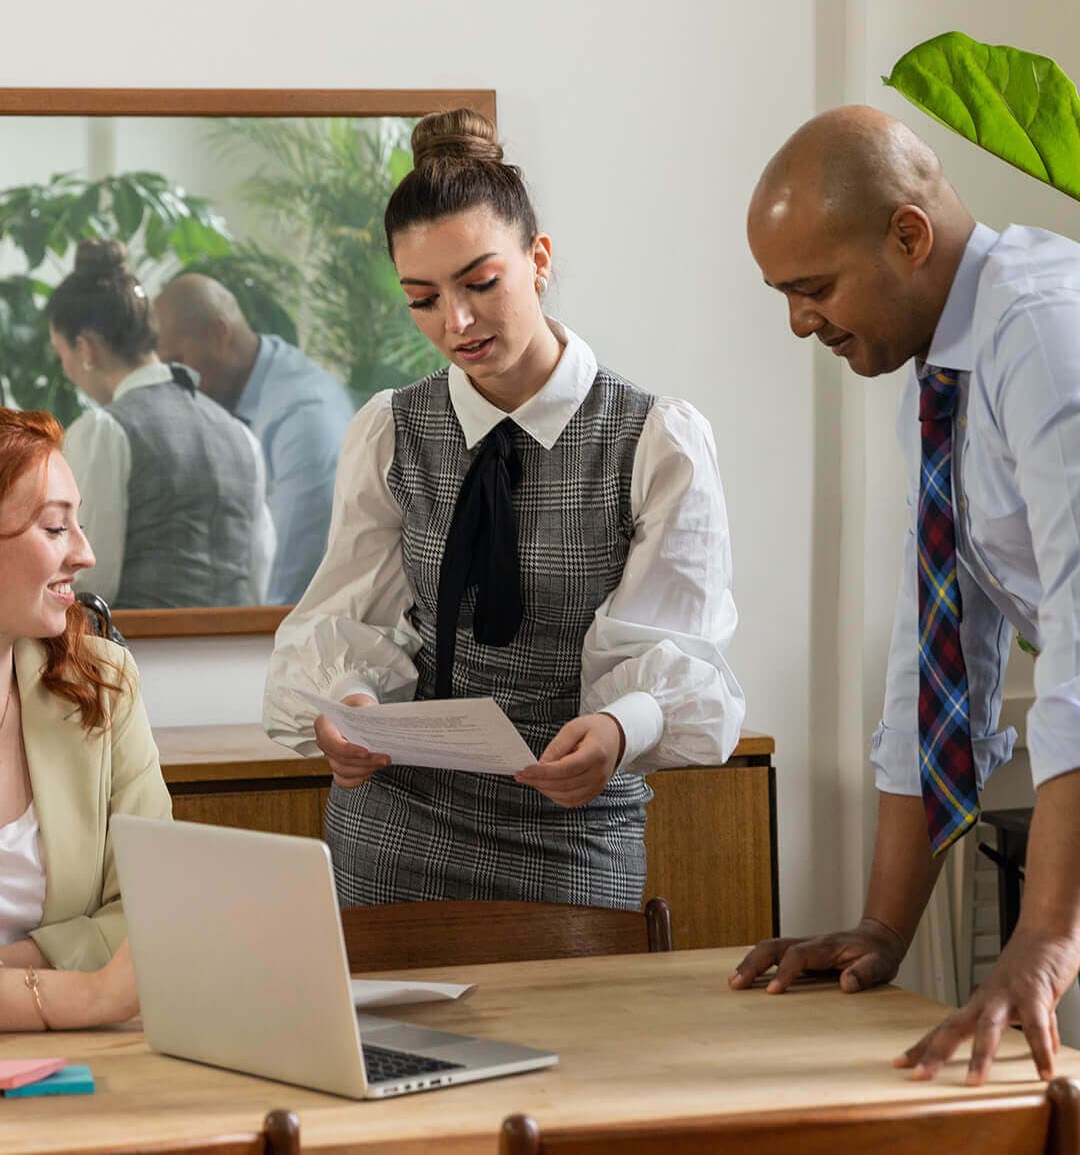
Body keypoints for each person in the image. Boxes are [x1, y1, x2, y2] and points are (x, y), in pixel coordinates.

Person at [263, 108, 745, 910]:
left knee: (576, 1039)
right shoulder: (391, 429)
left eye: (480, 283)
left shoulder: (656, 439)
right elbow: (349, 619)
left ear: (539, 259)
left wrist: (623, 728)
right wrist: (348, 708)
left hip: (572, 834)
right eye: (422, 299)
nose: (454, 322)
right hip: (393, 829)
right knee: (377, 1041)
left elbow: (684, 655)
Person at [736, 104, 1080, 1085]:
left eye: (812, 288)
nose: (801, 320)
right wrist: (884, 925)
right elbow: (935, 664)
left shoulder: (1045, 336)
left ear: (908, 235)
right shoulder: (942, 388)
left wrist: (1051, 930)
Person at [0, 407, 172, 1029]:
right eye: (54, 528)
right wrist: (87, 994)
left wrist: (14, 971)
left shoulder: (102, 682)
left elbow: (152, 908)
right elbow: (115, 975)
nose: (86, 553)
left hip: (88, 1057)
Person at [47, 240, 275, 609]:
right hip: (235, 658)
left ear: (85, 349)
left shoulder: (103, 431)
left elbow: (88, 581)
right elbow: (257, 574)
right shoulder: (239, 435)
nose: (66, 369)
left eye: (62, 354)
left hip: (136, 658)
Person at [153, 273, 356, 605]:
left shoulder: (303, 419)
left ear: (219, 335)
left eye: (177, 362)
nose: (176, 381)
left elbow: (289, 592)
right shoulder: (225, 400)